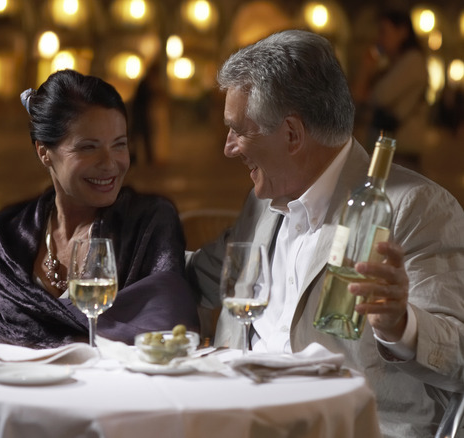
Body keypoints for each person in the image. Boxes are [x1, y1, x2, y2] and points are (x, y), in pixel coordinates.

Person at [186, 30, 464, 437]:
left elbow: (458, 353)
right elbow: (200, 275)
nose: (229, 147)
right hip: (239, 420)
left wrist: (401, 325)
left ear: (292, 134)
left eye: (238, 130)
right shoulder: (262, 203)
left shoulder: (414, 209)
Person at [0, 69, 199, 350]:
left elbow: (164, 333)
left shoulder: (148, 222)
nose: (110, 164)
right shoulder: (4, 237)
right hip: (13, 385)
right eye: (88, 147)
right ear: (44, 152)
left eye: (120, 145)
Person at [352, 9, 428, 170]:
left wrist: (366, 70)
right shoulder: (391, 65)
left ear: (402, 32)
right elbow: (360, 98)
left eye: (384, 31)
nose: (379, 39)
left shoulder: (412, 61)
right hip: (386, 150)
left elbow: (379, 96)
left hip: (401, 154)